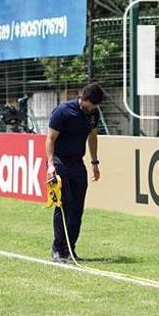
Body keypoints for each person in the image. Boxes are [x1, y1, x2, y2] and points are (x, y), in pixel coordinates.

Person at [47, 82, 103, 262]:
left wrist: (94, 162)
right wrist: (50, 165)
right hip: (60, 162)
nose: (94, 109)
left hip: (78, 163)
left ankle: (70, 249)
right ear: (84, 99)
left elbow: (92, 136)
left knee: (77, 209)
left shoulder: (93, 114)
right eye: (92, 105)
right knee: (64, 205)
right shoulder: (62, 111)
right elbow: (50, 139)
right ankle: (58, 249)